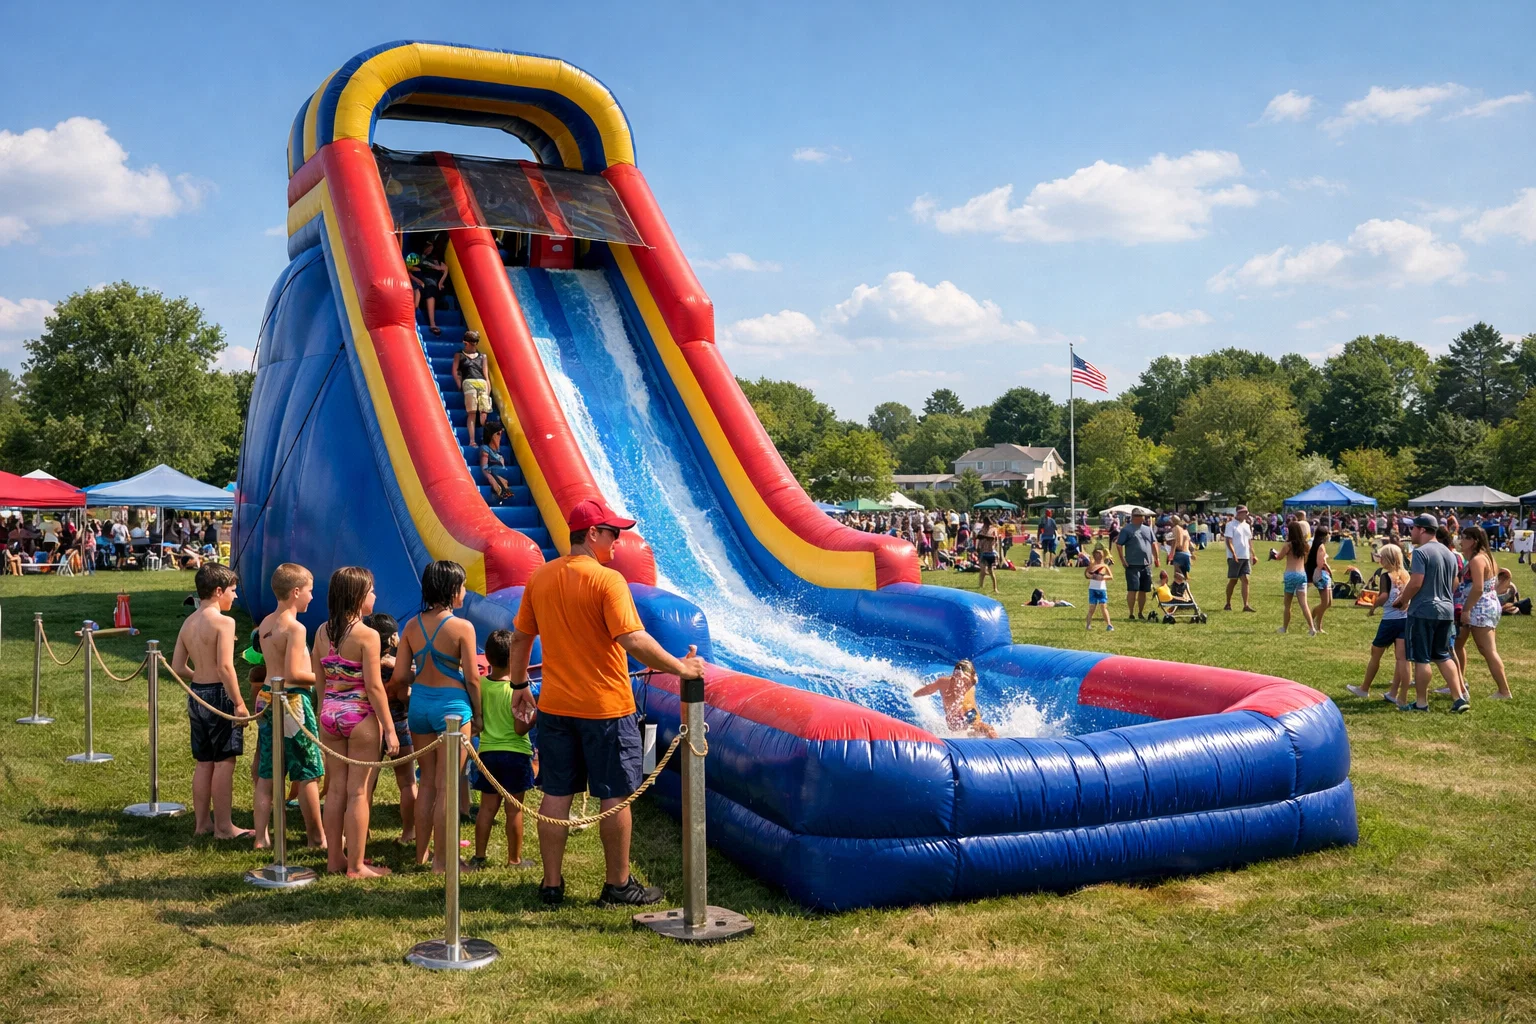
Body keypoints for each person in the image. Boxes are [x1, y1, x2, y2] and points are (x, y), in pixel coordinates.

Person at [506, 499, 707, 907]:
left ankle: (551, 885)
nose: (618, 541)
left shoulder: (541, 578)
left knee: (556, 794)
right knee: (615, 794)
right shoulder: (608, 581)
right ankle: (617, 885)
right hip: (606, 709)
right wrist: (681, 670)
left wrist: (519, 684)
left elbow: (522, 637)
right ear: (592, 534)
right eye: (612, 532)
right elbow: (633, 639)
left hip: (557, 707)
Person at [390, 560, 484, 873]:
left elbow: (400, 676)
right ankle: (445, 862)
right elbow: (472, 678)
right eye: (462, 585)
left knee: (427, 783)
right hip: (452, 710)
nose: (465, 591)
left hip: (420, 709)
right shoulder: (462, 628)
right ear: (450, 589)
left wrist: (407, 697)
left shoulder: (412, 625)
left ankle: (422, 854)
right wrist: (480, 715)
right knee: (447, 786)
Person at [313, 567, 396, 877]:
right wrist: (389, 728)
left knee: (334, 790)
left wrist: (324, 712)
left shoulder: (322, 632)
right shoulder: (368, 635)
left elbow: (319, 680)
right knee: (358, 792)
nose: (375, 595)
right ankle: (356, 865)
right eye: (371, 591)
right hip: (360, 716)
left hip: (330, 713)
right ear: (358, 596)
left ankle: (334, 859)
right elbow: (374, 687)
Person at [172, 564, 251, 840]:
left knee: (204, 761)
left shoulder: (188, 622)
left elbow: (178, 666)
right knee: (224, 762)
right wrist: (239, 703)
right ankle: (225, 827)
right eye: (232, 590)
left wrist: (200, 679)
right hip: (219, 696)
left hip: (196, 694)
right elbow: (226, 668)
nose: (236, 596)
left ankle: (202, 823)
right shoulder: (224, 623)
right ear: (218, 592)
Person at [252, 563, 327, 851]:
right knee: (307, 771)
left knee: (269, 771)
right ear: (296, 592)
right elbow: (294, 673)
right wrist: (325, 674)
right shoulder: (295, 628)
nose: (312, 596)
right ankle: (317, 838)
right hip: (293, 700)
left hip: (267, 698)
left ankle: (261, 837)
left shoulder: (267, 623)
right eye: (309, 591)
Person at [471, 629, 537, 869]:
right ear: (516, 658)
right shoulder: (518, 690)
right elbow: (521, 729)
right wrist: (535, 716)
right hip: (516, 754)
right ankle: (514, 860)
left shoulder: (479, 685)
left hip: (488, 753)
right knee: (514, 811)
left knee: (486, 809)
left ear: (487, 656)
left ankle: (479, 857)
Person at [1395, 514, 1469, 713]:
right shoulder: (1449, 553)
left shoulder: (1420, 552)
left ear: (1421, 529)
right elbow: (1455, 583)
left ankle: (1421, 703)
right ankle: (1459, 698)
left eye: (1412, 528)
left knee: (1422, 658)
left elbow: (1417, 581)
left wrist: (1403, 600)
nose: (1410, 532)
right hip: (1446, 610)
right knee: (1443, 655)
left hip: (1423, 611)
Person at [370, 612, 416, 845]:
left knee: (365, 783)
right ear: (392, 639)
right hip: (399, 723)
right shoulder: (400, 666)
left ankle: (360, 831)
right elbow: (406, 690)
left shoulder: (364, 662)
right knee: (407, 782)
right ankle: (409, 833)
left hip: (371, 724)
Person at [1348, 543, 1411, 706]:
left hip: (1390, 620)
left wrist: (1373, 607)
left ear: (1388, 558)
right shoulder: (1406, 574)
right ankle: (1398, 694)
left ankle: (1364, 688)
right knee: (1402, 659)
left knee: (1375, 652)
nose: (1380, 559)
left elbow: (1383, 596)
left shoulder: (1386, 576)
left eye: (1382, 556)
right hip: (1405, 619)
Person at [1458, 527, 1512, 700]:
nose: (1460, 539)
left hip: (1479, 608)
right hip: (1485, 605)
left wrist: (1466, 610)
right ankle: (1457, 684)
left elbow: (1478, 587)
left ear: (1473, 540)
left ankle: (1504, 691)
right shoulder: (1484, 557)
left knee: (1488, 650)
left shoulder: (1477, 560)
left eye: (1464, 537)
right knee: (1458, 645)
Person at [913, 660, 997, 738]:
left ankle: (990, 733)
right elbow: (928, 690)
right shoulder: (943, 682)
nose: (962, 685)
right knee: (953, 726)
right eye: (960, 680)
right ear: (953, 677)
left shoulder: (968, 693)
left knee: (975, 728)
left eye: (966, 683)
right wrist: (913, 695)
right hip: (952, 724)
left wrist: (987, 729)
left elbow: (976, 723)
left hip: (967, 719)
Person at [1115, 509, 1159, 621]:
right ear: (1135, 517)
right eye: (1141, 516)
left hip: (1146, 564)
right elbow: (1119, 544)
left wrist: (1156, 557)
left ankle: (1140, 612)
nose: (1144, 518)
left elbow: (1153, 543)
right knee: (1132, 589)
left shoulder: (1147, 529)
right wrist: (1122, 559)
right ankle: (1131, 613)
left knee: (1143, 590)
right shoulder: (1127, 530)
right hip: (1132, 564)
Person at [1278, 521, 1318, 636]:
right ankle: (1312, 628)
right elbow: (1305, 560)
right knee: (1304, 604)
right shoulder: (1305, 545)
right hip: (1301, 574)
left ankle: (1284, 628)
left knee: (1287, 605)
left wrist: (1273, 554)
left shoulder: (1288, 545)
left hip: (1290, 574)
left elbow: (1279, 557)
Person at [454, 329, 493, 448]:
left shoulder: (482, 357)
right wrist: (459, 383)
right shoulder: (459, 355)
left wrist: (488, 389)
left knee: (484, 412)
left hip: (481, 382)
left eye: (476, 342)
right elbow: (455, 371)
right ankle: (472, 440)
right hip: (469, 381)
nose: (474, 345)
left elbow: (485, 375)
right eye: (472, 342)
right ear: (466, 343)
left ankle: (485, 439)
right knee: (472, 412)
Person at [1224, 505, 1256, 612]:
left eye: (1246, 512)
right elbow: (1229, 540)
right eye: (1243, 512)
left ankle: (1246, 605)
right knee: (1233, 580)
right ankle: (1228, 603)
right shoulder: (1230, 525)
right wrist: (1233, 553)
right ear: (1238, 513)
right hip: (1235, 557)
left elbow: (1249, 541)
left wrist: (1253, 554)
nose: (1246, 514)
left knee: (1246, 579)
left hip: (1245, 556)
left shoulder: (1246, 525)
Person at [413, 240, 449, 335]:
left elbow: (445, 270)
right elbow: (411, 267)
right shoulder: (417, 257)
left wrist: (441, 282)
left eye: (431, 248)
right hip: (424, 281)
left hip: (434, 282)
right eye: (428, 248)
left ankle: (433, 322)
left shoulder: (436, 258)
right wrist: (433, 267)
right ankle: (432, 323)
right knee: (429, 288)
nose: (429, 250)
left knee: (432, 288)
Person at [479, 422, 515, 504]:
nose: (500, 437)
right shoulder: (485, 448)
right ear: (492, 435)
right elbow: (484, 468)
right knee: (502, 486)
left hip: (501, 477)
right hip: (494, 476)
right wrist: (491, 479)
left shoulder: (498, 454)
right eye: (498, 434)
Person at [1307, 527, 1334, 633]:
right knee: (1325, 602)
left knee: (1329, 603)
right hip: (1320, 575)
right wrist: (1329, 569)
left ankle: (1316, 621)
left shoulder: (1316, 544)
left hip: (1322, 574)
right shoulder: (1320, 546)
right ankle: (1315, 620)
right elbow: (1321, 563)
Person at [1084, 547, 1114, 632]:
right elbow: (1086, 574)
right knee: (1092, 608)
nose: (1098, 557)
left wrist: (1102, 577)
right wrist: (1091, 575)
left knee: (1103, 607)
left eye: (1100, 555)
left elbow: (1111, 577)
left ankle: (1109, 624)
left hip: (1101, 589)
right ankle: (1088, 625)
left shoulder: (1105, 566)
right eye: (1096, 555)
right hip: (1092, 589)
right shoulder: (1092, 565)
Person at [975, 515, 1000, 594]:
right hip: (983, 552)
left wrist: (987, 538)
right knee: (982, 570)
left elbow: (995, 538)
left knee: (991, 571)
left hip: (990, 552)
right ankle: (981, 585)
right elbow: (978, 538)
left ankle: (995, 588)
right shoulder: (982, 529)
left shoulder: (993, 529)